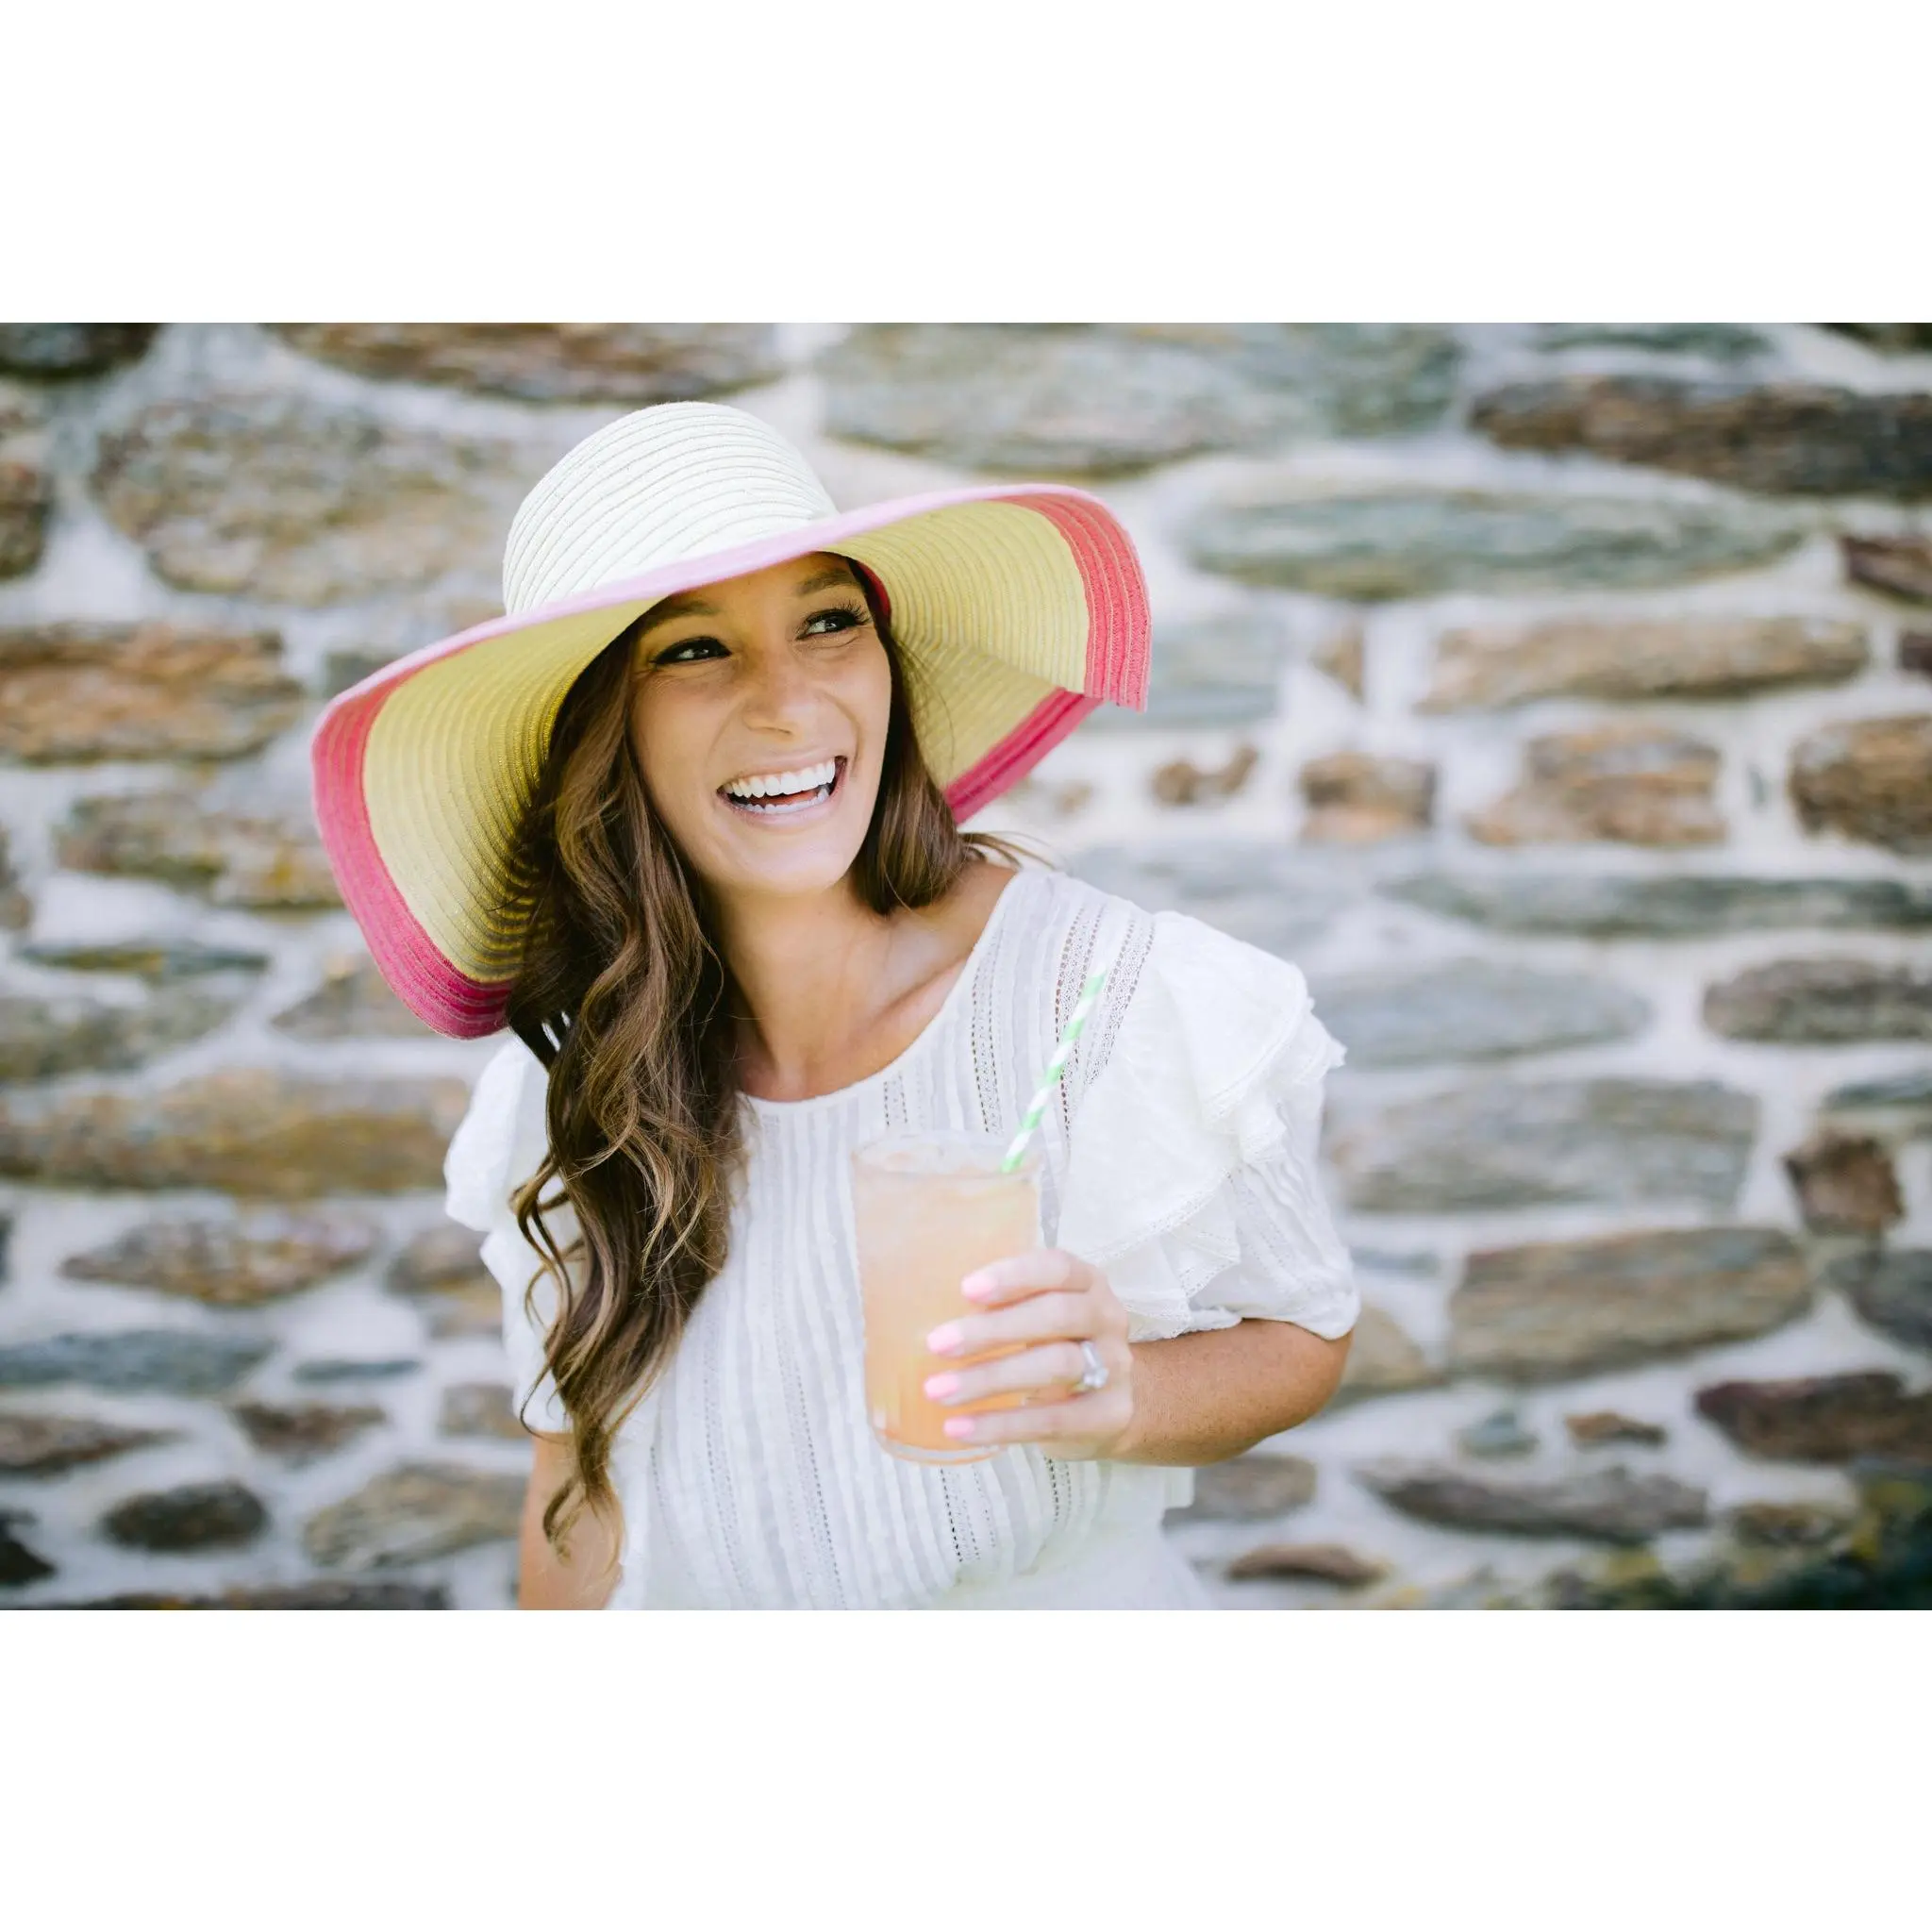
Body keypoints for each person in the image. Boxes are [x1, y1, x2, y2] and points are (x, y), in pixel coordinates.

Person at [311, 401, 1358, 1610]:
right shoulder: (576, 1088)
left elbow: (1303, 1333)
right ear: (608, 735)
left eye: (827, 621)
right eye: (692, 649)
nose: (788, 702)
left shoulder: (1106, 994)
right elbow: (576, 1487)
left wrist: (1124, 1394)